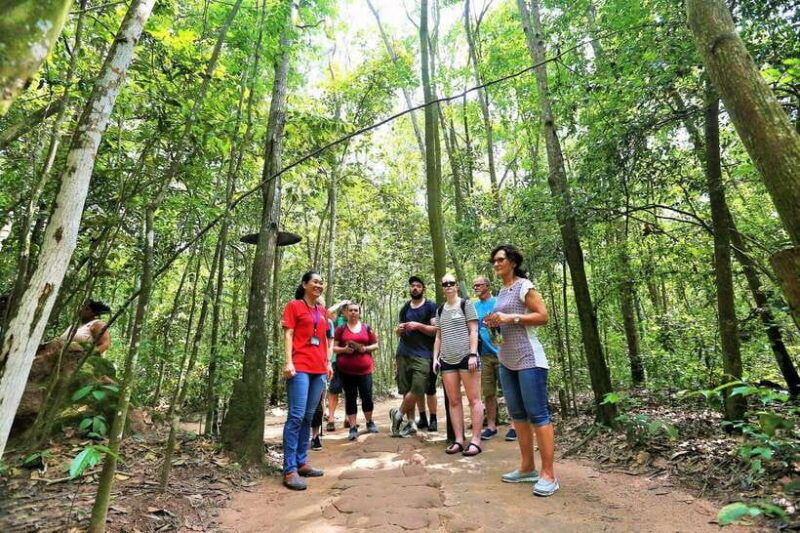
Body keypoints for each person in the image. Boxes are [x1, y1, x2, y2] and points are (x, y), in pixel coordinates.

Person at [484, 245, 558, 497]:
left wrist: (511, 318)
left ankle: (549, 474)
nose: (496, 264)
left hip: (529, 359)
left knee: (538, 414)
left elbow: (542, 316)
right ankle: (527, 468)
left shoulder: (524, 286)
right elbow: (503, 318)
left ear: (512, 262)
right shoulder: (501, 291)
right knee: (517, 416)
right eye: (493, 261)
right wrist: (494, 321)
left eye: (500, 260)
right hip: (506, 359)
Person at [281, 271, 333, 491]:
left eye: (321, 283)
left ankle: (302, 462)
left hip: (319, 369)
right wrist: (288, 362)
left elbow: (325, 339)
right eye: (315, 282)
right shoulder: (293, 306)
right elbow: (288, 334)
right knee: (296, 415)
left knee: (309, 416)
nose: (319, 285)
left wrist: (328, 363)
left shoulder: (322, 311)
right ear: (304, 284)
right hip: (299, 367)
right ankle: (289, 469)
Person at [433, 274, 483, 456]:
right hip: (447, 359)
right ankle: (459, 439)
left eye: (451, 283)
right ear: (442, 287)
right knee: (453, 401)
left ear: (457, 286)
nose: (448, 286)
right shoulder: (440, 310)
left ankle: (476, 440)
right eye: (445, 284)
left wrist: (472, 354)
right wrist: (435, 358)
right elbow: (439, 335)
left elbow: (474, 330)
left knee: (473, 399)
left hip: (466, 357)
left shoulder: (466, 305)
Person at [390, 276, 438, 437]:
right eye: (412, 286)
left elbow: (435, 329)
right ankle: (411, 423)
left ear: (423, 289)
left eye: (418, 286)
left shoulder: (430, 306)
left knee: (419, 386)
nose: (415, 288)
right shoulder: (405, 308)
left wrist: (418, 326)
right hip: (404, 352)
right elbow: (399, 330)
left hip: (423, 354)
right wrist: (399, 330)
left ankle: (398, 413)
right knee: (406, 389)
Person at [472, 276, 516, 442]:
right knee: (488, 393)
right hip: (484, 355)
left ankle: (514, 425)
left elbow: (509, 324)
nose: (475, 288)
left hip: (502, 352)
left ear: (488, 286)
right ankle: (491, 426)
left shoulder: (498, 302)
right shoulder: (474, 307)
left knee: (508, 390)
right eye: (474, 286)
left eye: (478, 285)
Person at [333, 301, 380, 440]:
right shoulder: (340, 329)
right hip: (346, 370)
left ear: (360, 313)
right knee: (350, 397)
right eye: (350, 310)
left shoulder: (366, 328)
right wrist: (344, 350)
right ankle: (353, 426)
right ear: (346, 313)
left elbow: (376, 344)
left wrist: (365, 348)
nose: (353, 312)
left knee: (367, 396)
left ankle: (369, 422)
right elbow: (334, 348)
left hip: (365, 369)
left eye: (356, 310)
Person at [310, 310, 336, 451]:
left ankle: (315, 436)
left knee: (319, 401)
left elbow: (330, 344)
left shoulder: (328, 322)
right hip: (302, 364)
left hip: (320, 365)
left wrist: (328, 363)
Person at [326, 302, 348, 432]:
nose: (350, 312)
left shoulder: (358, 324)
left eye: (352, 309)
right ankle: (331, 419)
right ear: (343, 310)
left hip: (352, 362)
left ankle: (348, 418)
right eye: (347, 309)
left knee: (350, 391)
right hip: (336, 360)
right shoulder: (337, 320)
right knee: (334, 390)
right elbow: (327, 312)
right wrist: (341, 303)